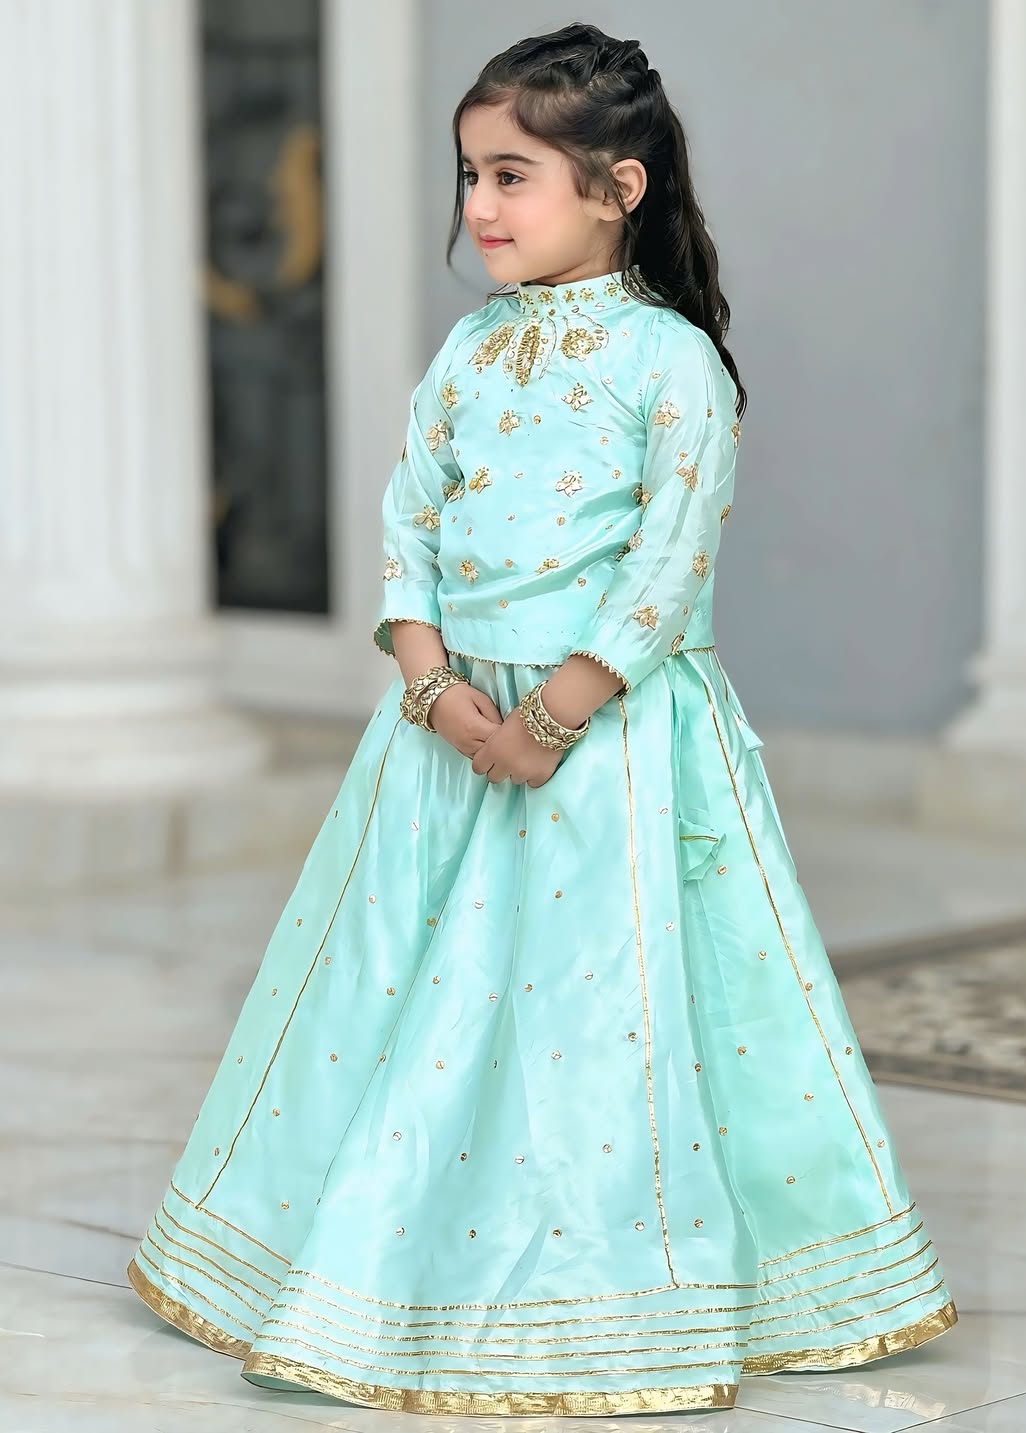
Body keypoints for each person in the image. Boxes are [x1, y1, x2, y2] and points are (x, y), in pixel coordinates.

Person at [127, 21, 957, 1416]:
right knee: (408, 997)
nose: (479, 207)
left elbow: (665, 567)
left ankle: (607, 1295)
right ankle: (376, 1265)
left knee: (593, 1015)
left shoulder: (671, 363)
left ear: (619, 188)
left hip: (608, 748)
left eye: (511, 176)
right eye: (469, 175)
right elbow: (409, 524)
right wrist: (436, 690)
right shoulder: (466, 352)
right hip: (445, 734)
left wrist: (550, 721)